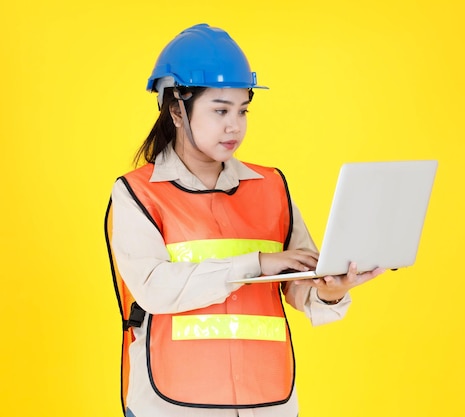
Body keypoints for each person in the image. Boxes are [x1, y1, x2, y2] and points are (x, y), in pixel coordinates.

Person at [104, 23, 385, 417]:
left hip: (267, 400)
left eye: (242, 110)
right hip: (174, 404)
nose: (234, 125)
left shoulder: (271, 187)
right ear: (176, 111)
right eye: (220, 110)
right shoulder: (139, 192)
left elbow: (300, 286)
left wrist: (330, 290)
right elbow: (153, 289)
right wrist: (255, 263)